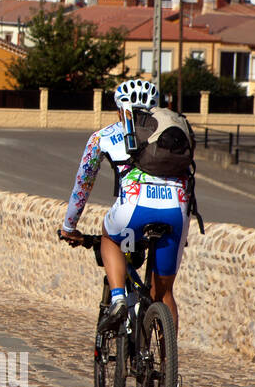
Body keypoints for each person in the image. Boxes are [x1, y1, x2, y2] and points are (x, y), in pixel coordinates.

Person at [59, 79, 198, 341]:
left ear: (119, 109)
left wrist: (69, 227)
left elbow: (82, 186)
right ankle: (167, 367)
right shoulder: (171, 134)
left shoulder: (104, 136)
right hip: (177, 211)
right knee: (164, 293)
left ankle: (119, 299)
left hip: (133, 210)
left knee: (109, 238)